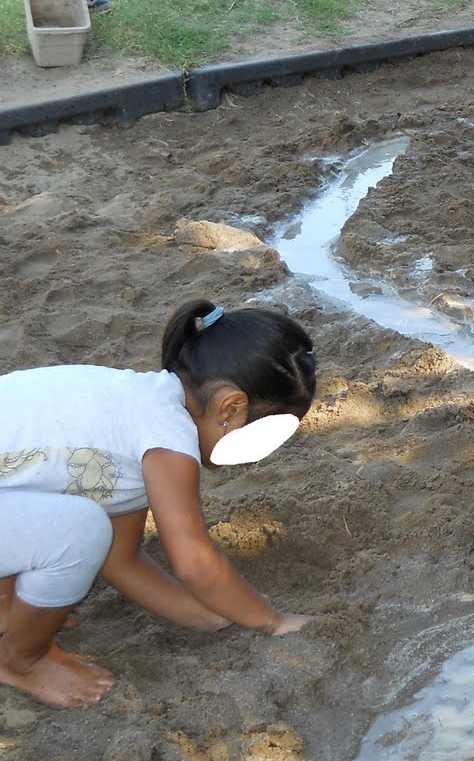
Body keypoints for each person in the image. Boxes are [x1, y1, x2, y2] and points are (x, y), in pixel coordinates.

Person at [0, 300, 317, 708]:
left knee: (74, 524)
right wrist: (270, 620)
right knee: (79, 532)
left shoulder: (139, 417)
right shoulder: (168, 441)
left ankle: (10, 612)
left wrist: (214, 616)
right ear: (231, 407)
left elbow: (121, 558)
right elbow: (194, 562)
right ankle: (21, 659)